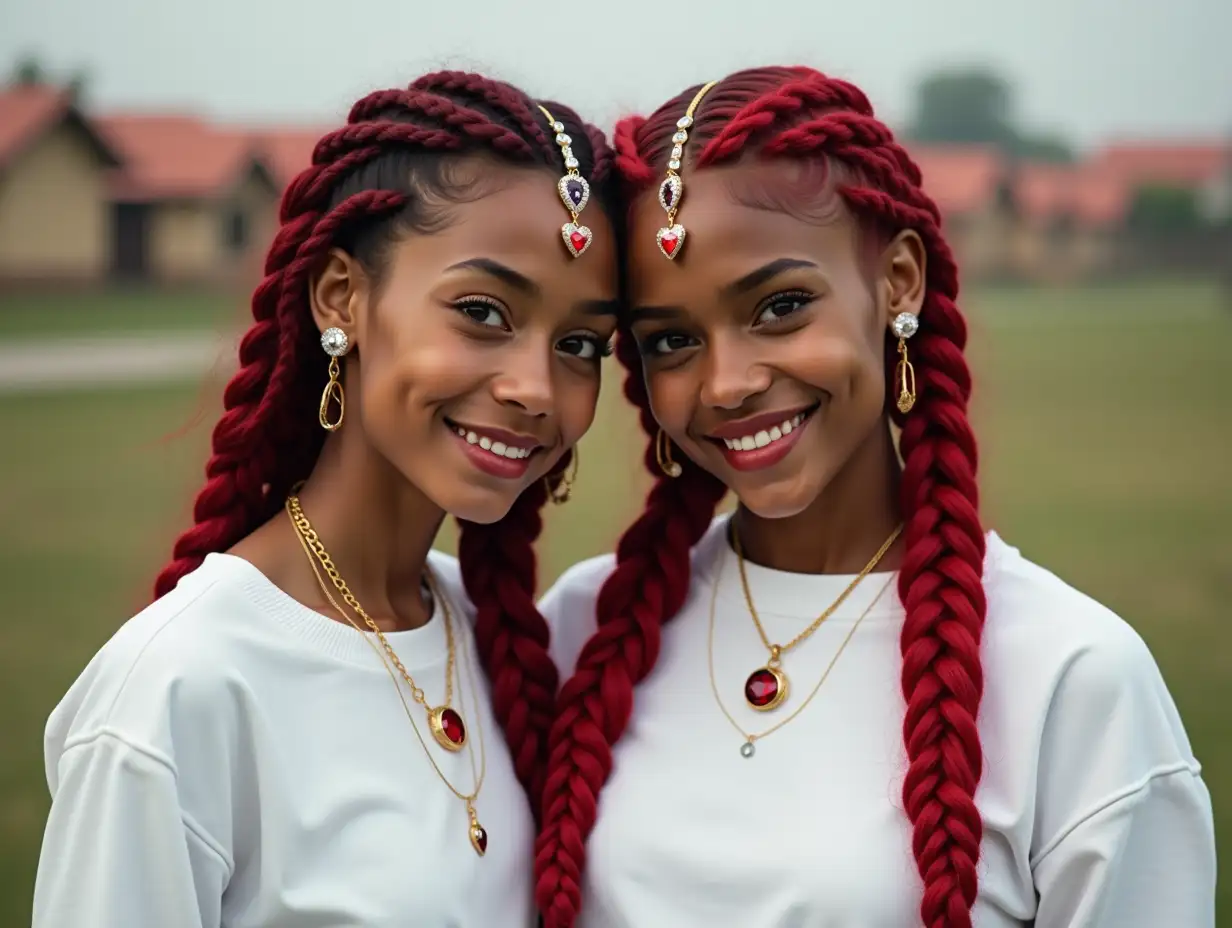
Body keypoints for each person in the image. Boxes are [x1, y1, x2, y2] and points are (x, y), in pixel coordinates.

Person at [533, 67, 1216, 928]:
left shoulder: (1069, 679)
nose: (728, 383)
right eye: (671, 340)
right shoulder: (579, 632)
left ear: (898, 282)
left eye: (780, 307)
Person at [33, 70, 619, 928]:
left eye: (580, 343)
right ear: (341, 297)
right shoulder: (178, 691)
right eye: (484, 312)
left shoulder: (497, 642)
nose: (537, 387)